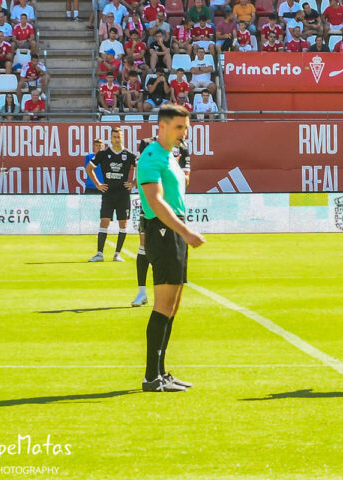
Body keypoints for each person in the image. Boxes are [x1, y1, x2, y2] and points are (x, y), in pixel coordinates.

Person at [137, 104, 205, 392]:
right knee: (163, 306)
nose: (184, 133)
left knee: (172, 306)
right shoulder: (152, 156)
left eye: (186, 128)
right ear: (161, 126)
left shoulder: (169, 156)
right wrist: (185, 231)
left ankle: (161, 373)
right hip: (163, 231)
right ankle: (151, 377)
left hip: (172, 231)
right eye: (179, 127)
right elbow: (155, 201)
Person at [133, 134, 192, 306]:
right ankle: (142, 292)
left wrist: (173, 168)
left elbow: (186, 180)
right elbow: (141, 176)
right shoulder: (147, 144)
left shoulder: (183, 148)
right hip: (151, 207)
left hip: (172, 209)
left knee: (172, 255)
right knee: (143, 246)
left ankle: (165, 298)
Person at [86, 127, 137, 263]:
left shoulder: (129, 154)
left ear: (122, 138)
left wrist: (133, 183)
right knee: (104, 221)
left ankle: (117, 254)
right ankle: (99, 254)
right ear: (110, 138)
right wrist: (98, 184)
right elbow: (89, 168)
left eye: (119, 136)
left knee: (123, 223)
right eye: (114, 137)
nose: (117, 139)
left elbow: (142, 168)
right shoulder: (104, 153)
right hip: (108, 193)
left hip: (123, 194)